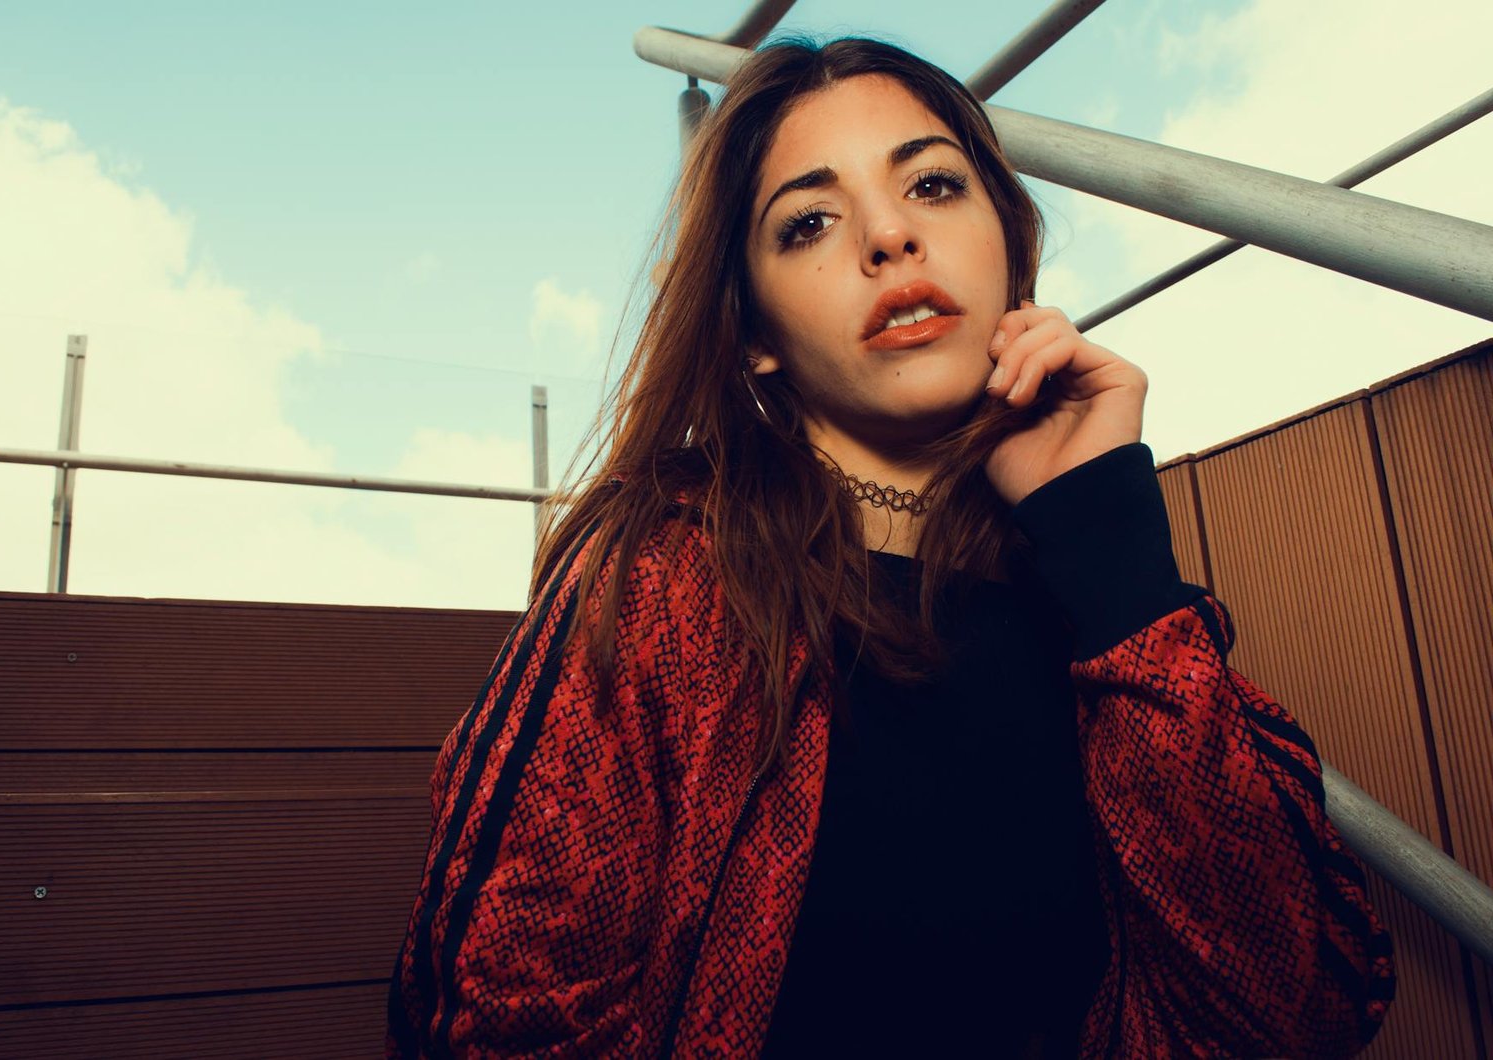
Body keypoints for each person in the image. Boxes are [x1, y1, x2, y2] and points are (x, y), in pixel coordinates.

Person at [385, 36, 1395, 1059]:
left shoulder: (1086, 585)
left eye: (933, 184)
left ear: (1010, 249)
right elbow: (492, 1020)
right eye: (809, 221)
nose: (888, 236)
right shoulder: (661, 578)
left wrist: (1109, 546)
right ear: (752, 333)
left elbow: (1299, 1010)